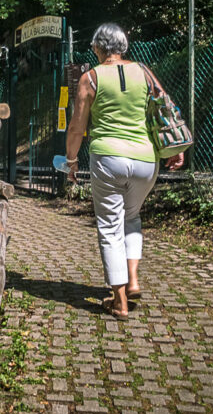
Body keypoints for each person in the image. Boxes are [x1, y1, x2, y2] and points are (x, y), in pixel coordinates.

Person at [64, 23, 184, 319]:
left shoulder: (89, 78)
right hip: (146, 159)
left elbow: (78, 126)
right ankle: (133, 280)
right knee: (131, 217)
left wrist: (71, 160)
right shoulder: (144, 71)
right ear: (123, 46)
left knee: (109, 226)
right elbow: (166, 109)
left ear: (97, 48)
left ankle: (118, 301)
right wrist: (177, 147)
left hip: (108, 159)